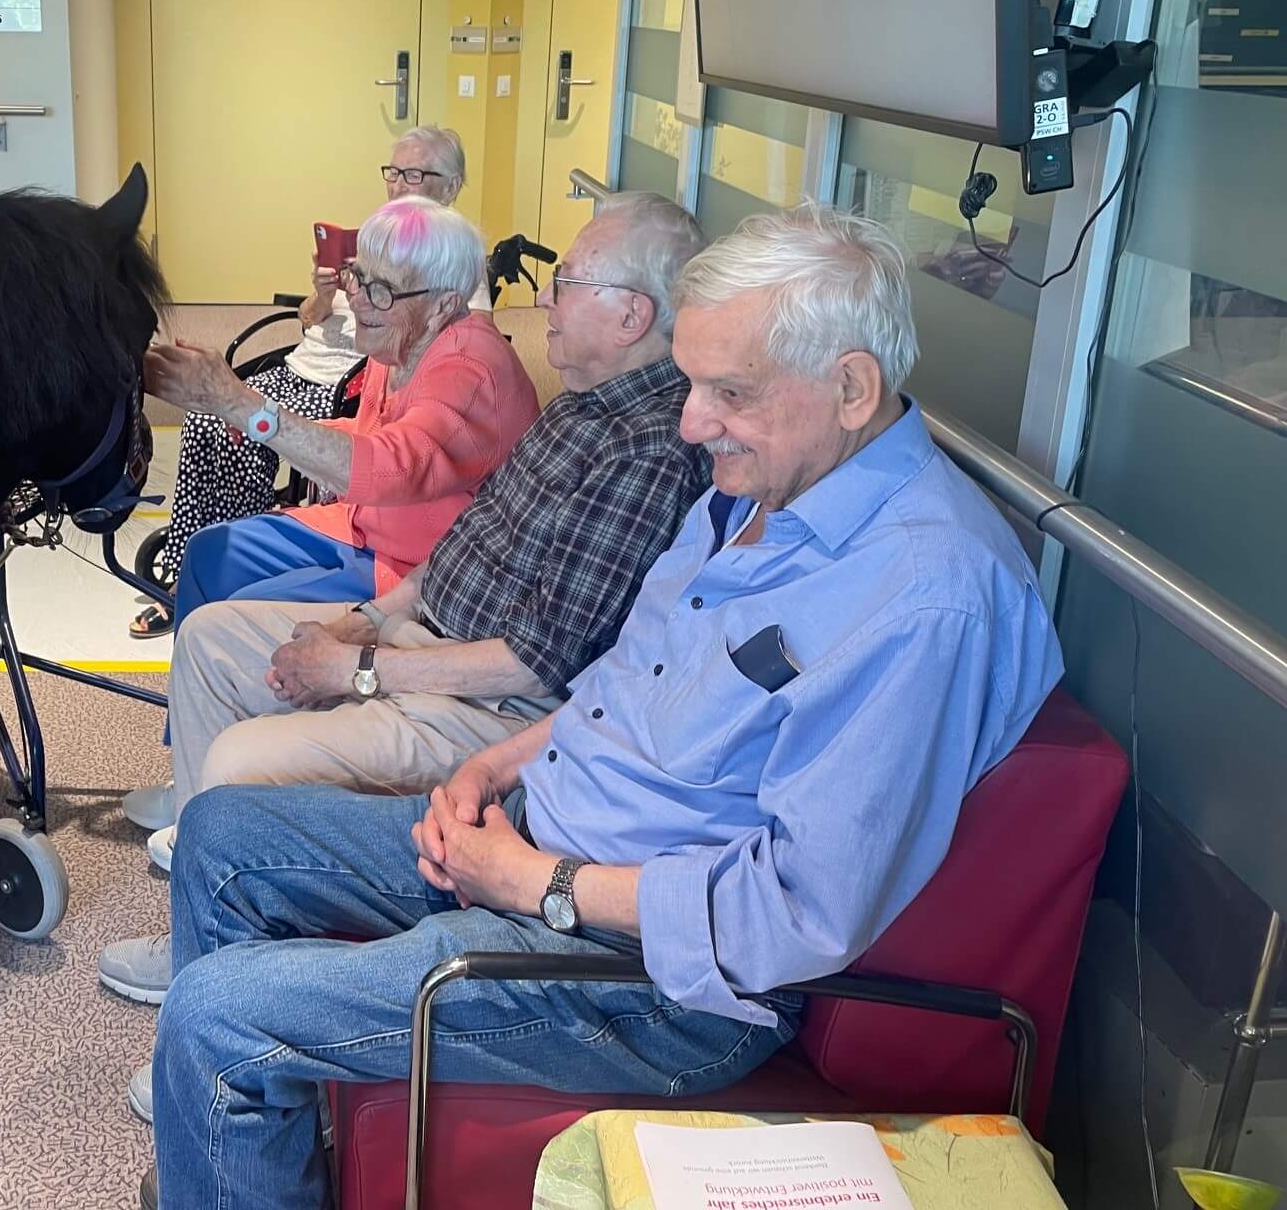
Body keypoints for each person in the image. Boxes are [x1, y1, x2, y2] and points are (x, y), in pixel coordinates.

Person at [134, 205, 1065, 1210]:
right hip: (541, 837)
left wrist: (538, 883)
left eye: (728, 392)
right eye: (693, 383)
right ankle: (247, 1149)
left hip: (648, 982)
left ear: (851, 388)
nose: (691, 423)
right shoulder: (760, 489)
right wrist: (491, 768)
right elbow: (627, 685)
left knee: (216, 1015)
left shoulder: (925, 597)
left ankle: (235, 1102)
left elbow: (797, 913)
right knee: (222, 834)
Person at [100, 197, 713, 1077]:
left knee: (239, 762)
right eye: (361, 276)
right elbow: (459, 543)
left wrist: (358, 668)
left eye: (568, 282)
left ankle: (234, 1005)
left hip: (484, 697)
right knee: (209, 637)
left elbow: (532, 659)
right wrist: (371, 620)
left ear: (631, 315)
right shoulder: (579, 406)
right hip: (414, 618)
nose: (544, 298)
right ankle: (203, 933)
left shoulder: (645, 447)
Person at [129, 127, 483, 639]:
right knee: (209, 535)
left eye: (378, 289)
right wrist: (247, 411)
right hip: (358, 514)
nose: (358, 299)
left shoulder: (459, 351)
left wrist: (251, 411)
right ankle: (186, 563)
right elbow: (368, 428)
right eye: (359, 280)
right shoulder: (395, 327)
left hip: (402, 554)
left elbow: (394, 466)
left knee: (222, 621)